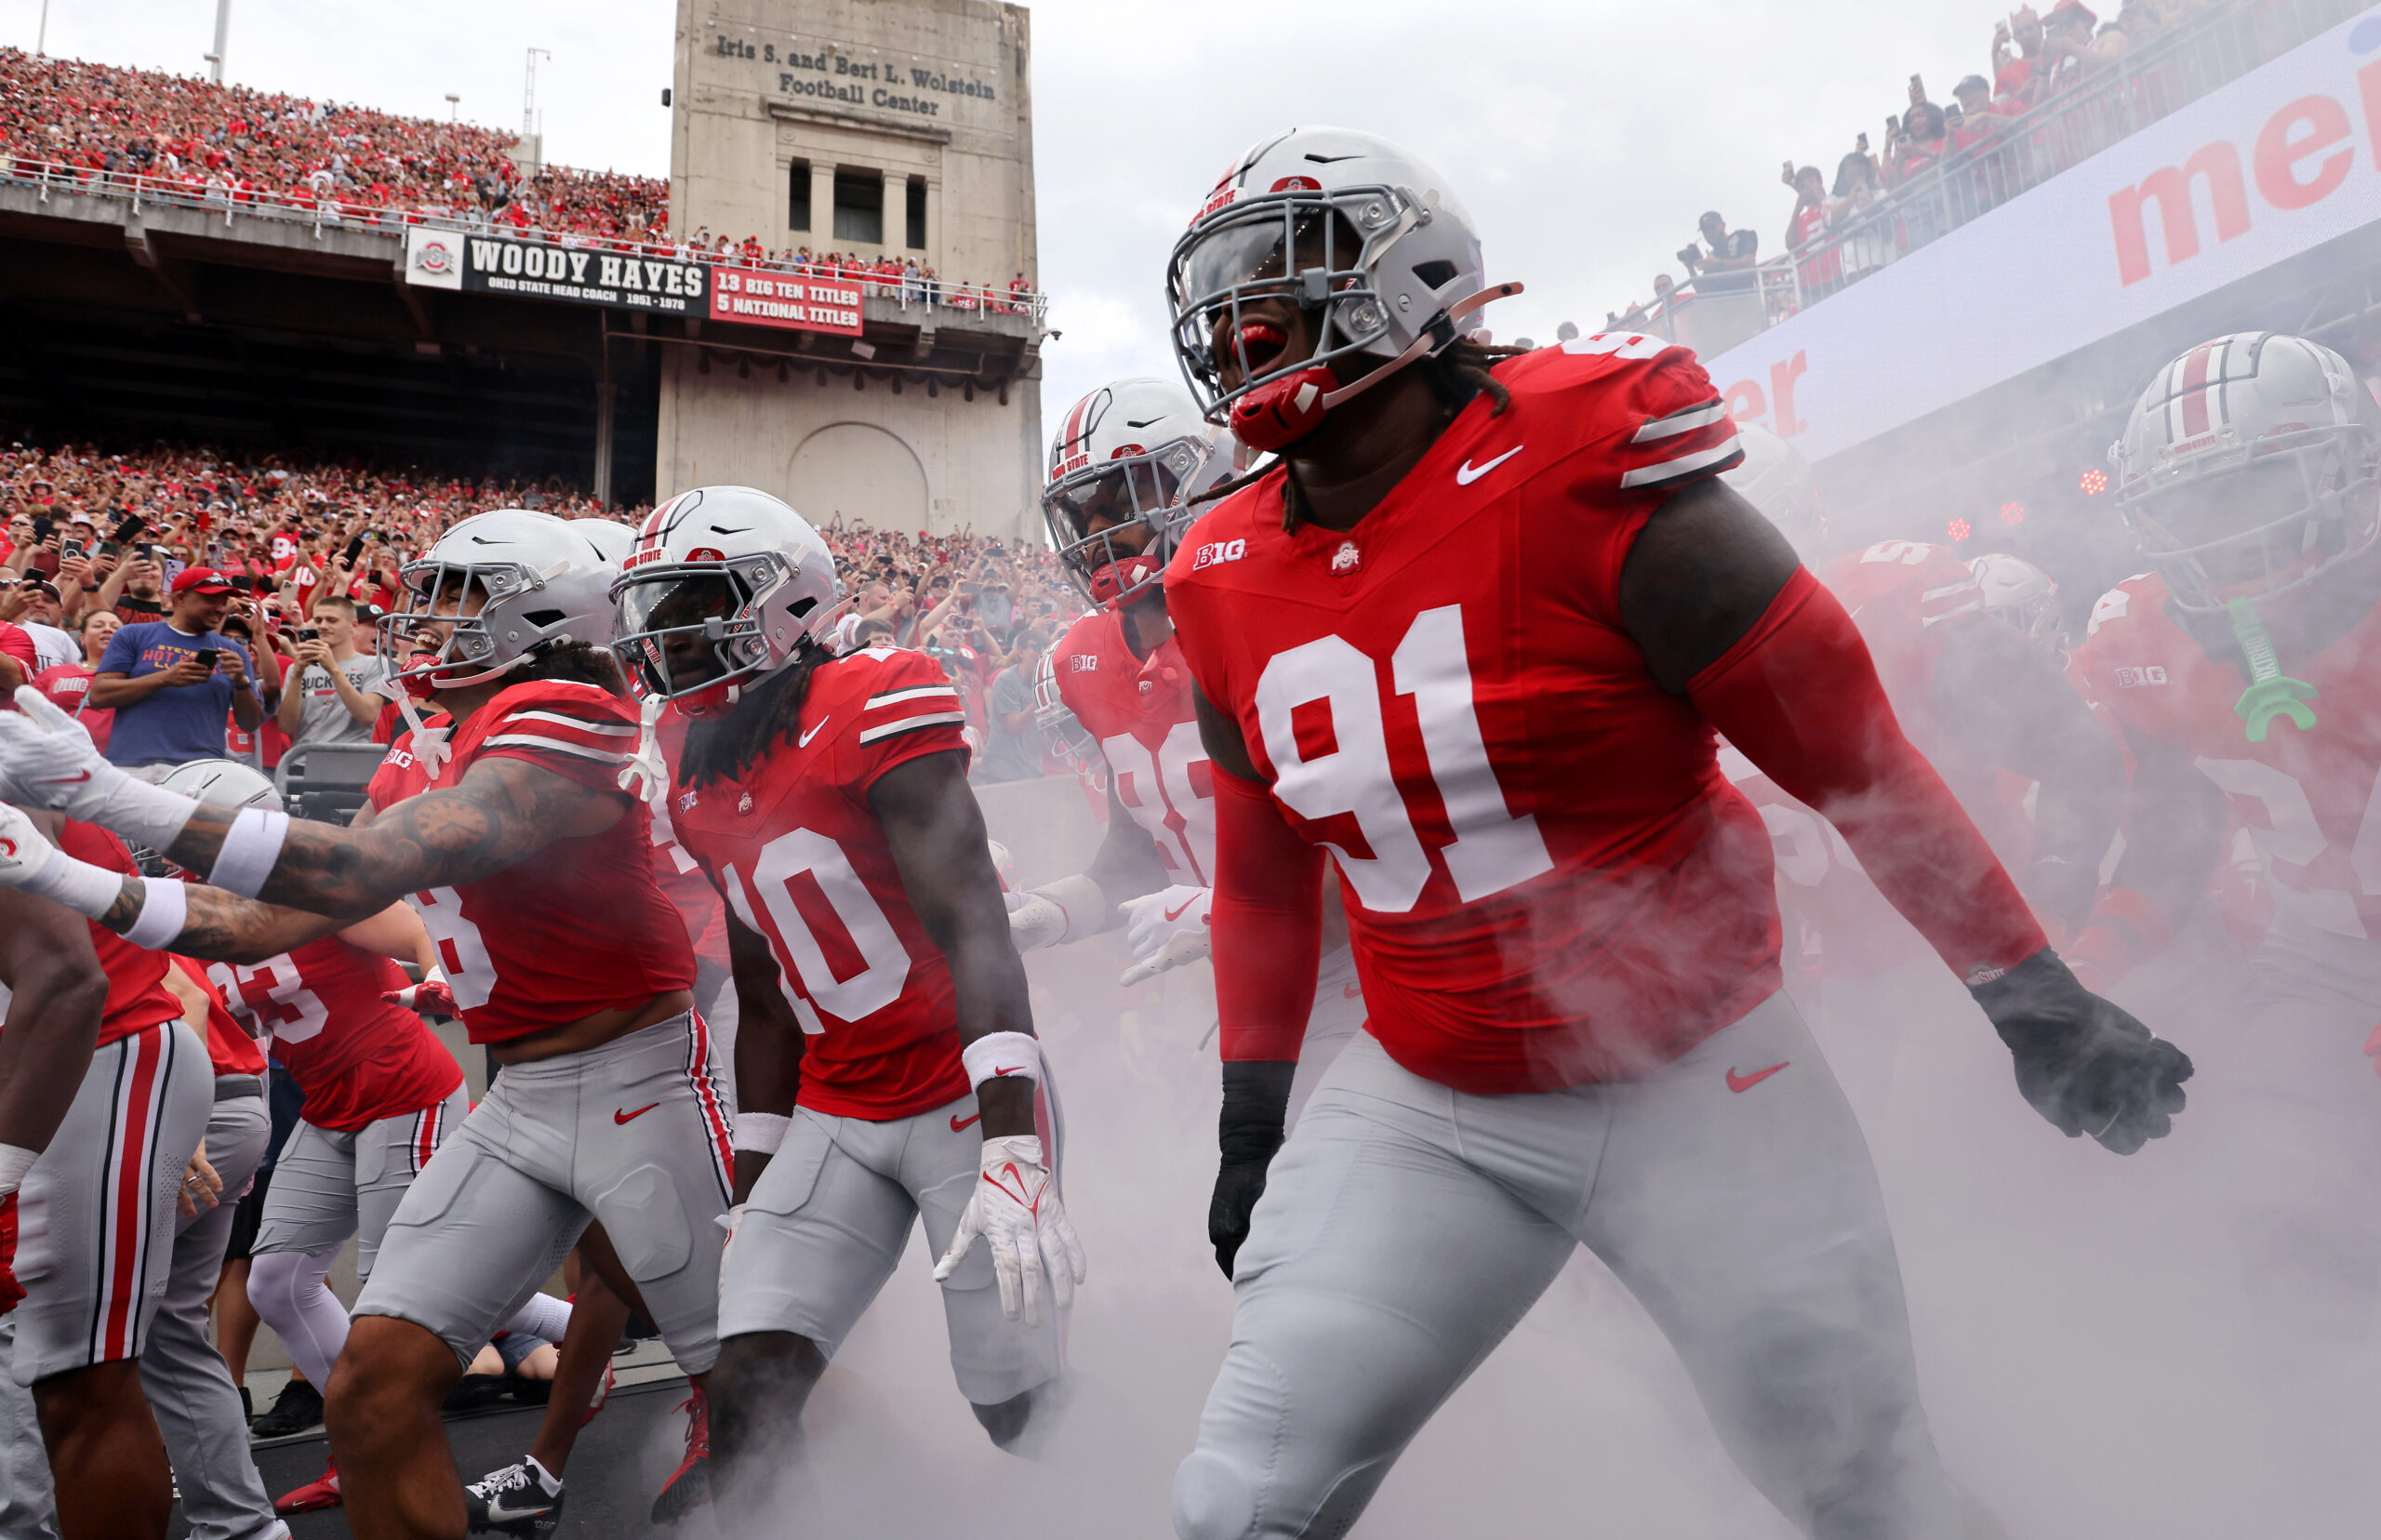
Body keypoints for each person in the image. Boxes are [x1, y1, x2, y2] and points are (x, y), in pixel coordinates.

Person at [1155, 126, 2191, 1540]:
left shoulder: (1590, 457)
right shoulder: (1216, 569)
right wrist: (1252, 1114)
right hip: (1427, 1100)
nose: (1240, 316)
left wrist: (2034, 997)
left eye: (1283, 269)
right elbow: (1266, 879)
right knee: (1237, 1505)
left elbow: (1856, 765)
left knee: (1866, 1495)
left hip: (1704, 1076)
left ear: (1419, 271)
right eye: (1218, 290)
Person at [0, 509, 725, 1539]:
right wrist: (62, 873)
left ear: (546, 612)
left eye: (462, 604)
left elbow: (363, 871)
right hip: (519, 1100)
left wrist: (112, 798)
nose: (426, 625)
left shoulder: (568, 710)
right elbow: (253, 928)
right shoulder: (430, 745)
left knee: (750, 1382)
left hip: (637, 1080)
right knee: (371, 1396)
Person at [607, 485, 1084, 1532]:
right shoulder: (689, 754)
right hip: (836, 1110)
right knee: (742, 1400)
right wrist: (755, 1176)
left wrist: (1015, 1143)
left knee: (1016, 1411)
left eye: (693, 603)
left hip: (963, 1100)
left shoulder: (879, 693)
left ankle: (1145, 1493)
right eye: (657, 609)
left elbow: (975, 925)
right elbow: (765, 988)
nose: (669, 637)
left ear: (785, 605)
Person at [2067, 332, 2381, 1333]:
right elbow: (2173, 829)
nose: (2227, 533)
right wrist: (2082, 971)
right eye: (2196, 503)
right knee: (2285, 1202)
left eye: (2255, 487)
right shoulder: (2140, 640)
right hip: (2321, 955)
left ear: (2342, 469)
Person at [1018, 378, 1367, 1122]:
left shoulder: (1274, 606)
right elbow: (1137, 852)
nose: (1101, 531)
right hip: (1218, 985)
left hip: (1351, 970)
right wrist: (1056, 912)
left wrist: (1225, 913)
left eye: (1122, 500)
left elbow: (1377, 843)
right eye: (1084, 511)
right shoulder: (1082, 659)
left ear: (1200, 484)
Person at [0, 811, 207, 1540]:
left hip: (101, 1063)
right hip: (78, 1072)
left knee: (83, 1377)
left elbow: (66, 978)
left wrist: (3, 1168)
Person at [88, 565, 262, 774]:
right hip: (132, 765)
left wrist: (240, 683)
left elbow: (250, 723)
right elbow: (99, 695)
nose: (220, 608)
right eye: (211, 600)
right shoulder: (132, 635)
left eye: (223, 602)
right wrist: (165, 678)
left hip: (200, 770)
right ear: (180, 598)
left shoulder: (234, 651)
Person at [275, 593, 394, 749]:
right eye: (318, 620)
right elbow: (286, 726)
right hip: (303, 761)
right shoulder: (297, 668)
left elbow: (367, 716)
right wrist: (297, 675)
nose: (323, 625)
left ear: (353, 625)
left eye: (332, 620)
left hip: (349, 761)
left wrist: (332, 668)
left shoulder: (375, 664)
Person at [974, 631, 1048, 784]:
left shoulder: (1043, 683)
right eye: (1036, 647)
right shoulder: (1006, 680)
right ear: (1020, 652)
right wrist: (1042, 697)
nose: (1041, 652)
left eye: (1045, 648)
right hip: (1002, 772)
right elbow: (1014, 726)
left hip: (1032, 769)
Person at [1681, 209, 1757, 291]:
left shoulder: (1741, 236)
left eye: (1712, 228)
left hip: (1745, 298)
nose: (1709, 234)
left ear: (1723, 225)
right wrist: (1691, 269)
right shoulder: (1712, 256)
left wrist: (1717, 263)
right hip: (1720, 301)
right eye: (1705, 231)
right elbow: (1702, 291)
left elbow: (1750, 264)